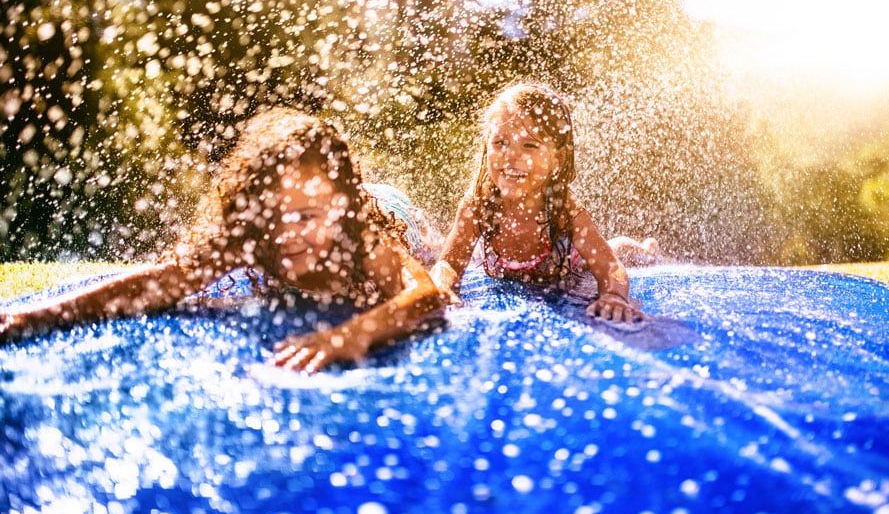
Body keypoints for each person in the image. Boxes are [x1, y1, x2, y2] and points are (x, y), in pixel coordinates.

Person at [0, 108, 444, 373]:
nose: (287, 234)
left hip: (391, 207)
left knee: (431, 251)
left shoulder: (362, 234)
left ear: (339, 209)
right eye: (273, 214)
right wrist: (35, 317)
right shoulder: (252, 236)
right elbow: (163, 281)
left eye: (305, 216)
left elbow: (426, 292)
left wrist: (351, 335)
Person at [430, 82, 660, 324]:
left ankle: (646, 249)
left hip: (575, 265)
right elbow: (448, 263)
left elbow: (608, 266)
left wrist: (614, 295)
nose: (510, 156)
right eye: (499, 143)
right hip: (514, 271)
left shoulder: (562, 208)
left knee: (620, 249)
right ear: (486, 149)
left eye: (529, 145)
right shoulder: (478, 205)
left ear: (556, 159)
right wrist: (441, 286)